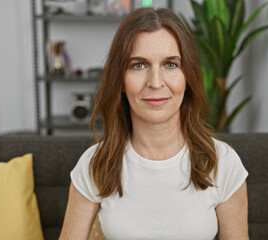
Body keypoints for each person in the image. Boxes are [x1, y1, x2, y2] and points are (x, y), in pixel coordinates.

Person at [59, 7, 249, 240]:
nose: (156, 82)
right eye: (139, 65)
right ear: (120, 80)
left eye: (170, 64)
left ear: (187, 77)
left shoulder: (223, 162)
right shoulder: (95, 164)